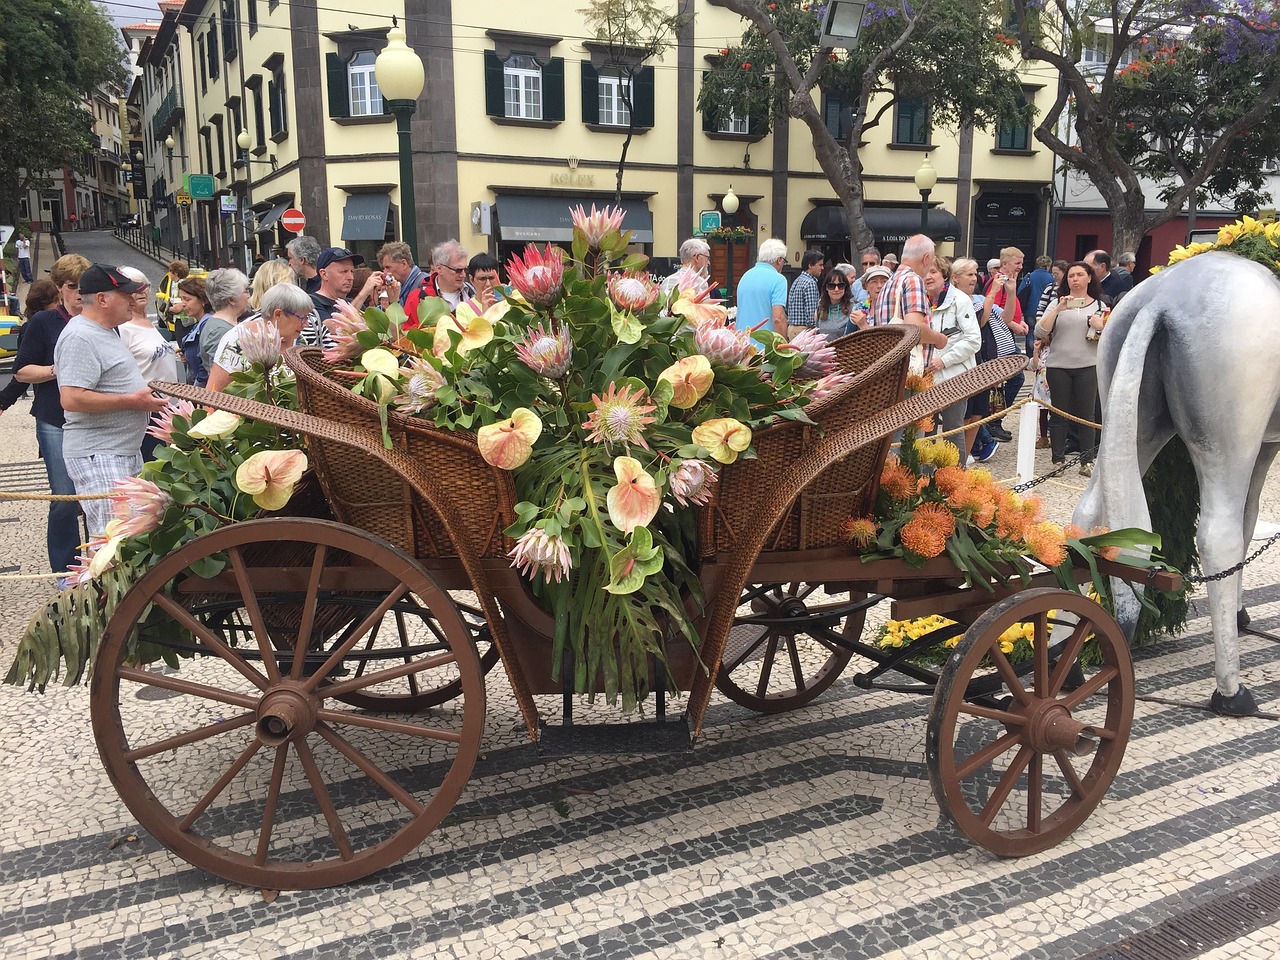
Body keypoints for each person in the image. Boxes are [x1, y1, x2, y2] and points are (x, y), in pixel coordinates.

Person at [55, 265, 169, 540]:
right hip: (100, 453)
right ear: (102, 299)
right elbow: (71, 398)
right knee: (113, 539)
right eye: (126, 295)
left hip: (118, 450)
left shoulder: (104, 330)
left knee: (126, 537)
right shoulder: (80, 336)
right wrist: (133, 401)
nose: (133, 300)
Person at [13, 253, 91, 580]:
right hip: (55, 419)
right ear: (60, 288)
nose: (79, 293)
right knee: (64, 497)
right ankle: (65, 570)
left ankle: (101, 562)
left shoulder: (98, 319)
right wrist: (57, 370)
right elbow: (21, 371)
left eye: (84, 286)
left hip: (92, 418)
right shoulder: (44, 322)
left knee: (96, 496)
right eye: (73, 286)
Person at [1035, 261, 1108, 475]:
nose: (1075, 279)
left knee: (1086, 415)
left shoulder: (1100, 305)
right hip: (1059, 365)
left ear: (1089, 278)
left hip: (1088, 365)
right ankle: (1058, 460)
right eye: (1071, 275)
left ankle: (1087, 461)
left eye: (1079, 275)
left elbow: (1109, 336)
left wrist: (1100, 327)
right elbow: (1040, 331)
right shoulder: (1057, 303)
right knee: (1059, 414)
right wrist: (1058, 309)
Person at [116, 267, 182, 460]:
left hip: (170, 408)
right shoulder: (123, 329)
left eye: (144, 286)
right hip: (148, 412)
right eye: (134, 287)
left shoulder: (148, 323)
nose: (141, 291)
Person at [922, 256, 982, 461]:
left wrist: (944, 360)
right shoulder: (919, 301)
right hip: (925, 378)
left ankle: (956, 475)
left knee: (953, 430)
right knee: (925, 431)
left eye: (933, 272)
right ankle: (926, 475)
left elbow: (973, 340)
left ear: (945, 275)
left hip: (954, 377)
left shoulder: (960, 300)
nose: (928, 277)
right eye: (925, 272)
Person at [208, 283, 315, 391]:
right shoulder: (239, 340)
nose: (306, 324)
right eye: (302, 318)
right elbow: (214, 391)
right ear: (278, 314)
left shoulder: (299, 340)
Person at [950, 257, 1003, 463]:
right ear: (955, 278)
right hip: (963, 362)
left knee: (978, 413)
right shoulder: (952, 300)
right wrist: (993, 293)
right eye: (969, 274)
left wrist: (1006, 292)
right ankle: (956, 458)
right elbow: (979, 322)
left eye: (975, 274)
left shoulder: (978, 299)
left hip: (981, 359)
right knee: (964, 414)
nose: (974, 278)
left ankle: (964, 457)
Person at [870, 234, 948, 350]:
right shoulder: (913, 280)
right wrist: (939, 339)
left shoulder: (888, 283)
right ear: (925, 259)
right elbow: (914, 329)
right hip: (908, 360)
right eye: (931, 261)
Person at [0, 280, 61, 415]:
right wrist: (3, 401)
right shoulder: (34, 327)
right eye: (56, 301)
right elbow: (24, 372)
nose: (60, 304)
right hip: (48, 403)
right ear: (44, 303)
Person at [404, 240, 475, 321]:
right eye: (458, 270)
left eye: (465, 269)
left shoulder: (472, 292)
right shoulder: (418, 298)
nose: (463, 275)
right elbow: (407, 328)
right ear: (439, 269)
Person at [734, 238, 789, 335]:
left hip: (742, 339)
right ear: (779, 260)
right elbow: (778, 318)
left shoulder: (746, 276)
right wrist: (783, 342)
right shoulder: (779, 279)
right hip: (764, 341)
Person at [175, 276, 215, 386]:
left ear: (203, 300)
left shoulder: (207, 324)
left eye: (187, 299)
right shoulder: (199, 323)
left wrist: (195, 391)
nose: (183, 304)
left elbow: (205, 369)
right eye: (181, 299)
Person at [309, 247, 360, 322]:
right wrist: (363, 294)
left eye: (352, 271)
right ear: (324, 274)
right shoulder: (310, 303)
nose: (351, 277)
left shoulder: (352, 303)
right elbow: (332, 327)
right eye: (344, 271)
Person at [1018, 255, 1056, 353]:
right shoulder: (1051, 278)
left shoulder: (1029, 276)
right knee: (1042, 332)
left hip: (1029, 309)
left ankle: (1031, 353)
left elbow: (1020, 291)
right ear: (1048, 265)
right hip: (1045, 310)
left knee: (1030, 332)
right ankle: (1039, 353)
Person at [785, 249, 825, 337]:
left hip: (792, 328)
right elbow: (811, 315)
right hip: (803, 330)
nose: (822, 268)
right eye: (820, 265)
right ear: (810, 265)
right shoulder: (810, 283)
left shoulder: (798, 280)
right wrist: (816, 331)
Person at [377, 240, 421, 308]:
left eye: (388, 267)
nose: (385, 273)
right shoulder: (401, 286)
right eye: (384, 268)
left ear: (404, 264)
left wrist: (393, 302)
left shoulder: (424, 285)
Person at [156, 259, 191, 341]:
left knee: (181, 343)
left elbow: (178, 307)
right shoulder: (187, 283)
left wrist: (168, 309)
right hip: (190, 320)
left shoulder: (178, 286)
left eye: (170, 271)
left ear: (176, 273)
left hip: (181, 320)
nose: (169, 274)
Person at [849, 264, 891, 332]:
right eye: (874, 282)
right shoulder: (858, 308)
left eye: (884, 281)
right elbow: (847, 336)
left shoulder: (894, 309)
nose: (879, 286)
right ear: (866, 286)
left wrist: (864, 326)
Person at [814, 268, 853, 339]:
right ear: (826, 288)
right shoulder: (821, 307)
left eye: (841, 286)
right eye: (831, 286)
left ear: (845, 288)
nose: (836, 289)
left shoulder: (853, 308)